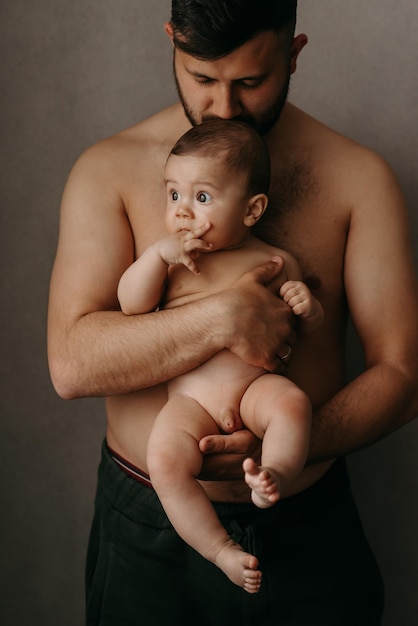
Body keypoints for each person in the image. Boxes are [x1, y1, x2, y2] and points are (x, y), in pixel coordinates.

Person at [47, 1, 418, 624]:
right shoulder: (105, 171)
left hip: (308, 523)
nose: (224, 108)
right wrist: (219, 318)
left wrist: (278, 450)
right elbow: (71, 363)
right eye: (201, 78)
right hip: (149, 529)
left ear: (293, 54)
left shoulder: (358, 177)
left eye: (250, 82)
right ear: (171, 42)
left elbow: (404, 377)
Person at [117, 119, 324, 593]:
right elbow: (131, 304)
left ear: (251, 210)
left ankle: (272, 472)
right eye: (173, 196)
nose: (183, 213)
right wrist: (157, 257)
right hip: (190, 404)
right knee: (164, 459)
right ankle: (218, 549)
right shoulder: (172, 264)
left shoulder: (275, 261)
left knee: (292, 404)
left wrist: (306, 306)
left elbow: (305, 331)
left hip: (254, 388)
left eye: (202, 198)